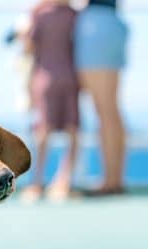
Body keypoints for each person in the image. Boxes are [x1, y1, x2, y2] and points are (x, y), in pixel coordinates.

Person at [21, 0, 80, 201]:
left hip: (44, 78)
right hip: (71, 78)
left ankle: (36, 183)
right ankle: (63, 182)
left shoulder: (40, 14)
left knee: (43, 131)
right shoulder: (75, 15)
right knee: (73, 130)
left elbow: (29, 46)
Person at [74, 0, 128, 195]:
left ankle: (111, 182)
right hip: (109, 23)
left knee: (106, 110)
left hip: (96, 27)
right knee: (109, 109)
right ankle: (114, 179)